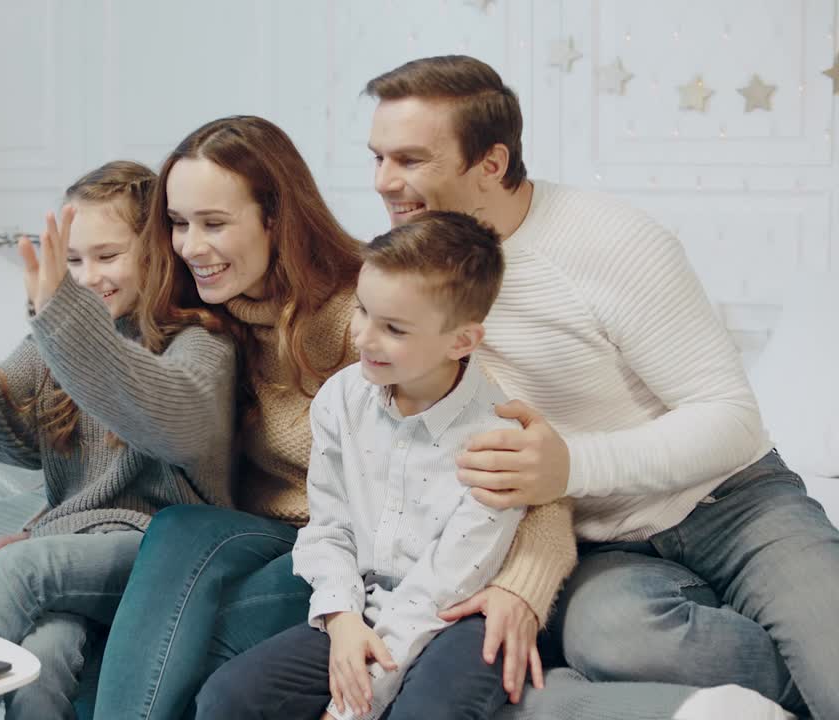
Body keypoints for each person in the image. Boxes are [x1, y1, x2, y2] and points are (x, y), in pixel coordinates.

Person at [363, 55, 839, 718]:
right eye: (378, 158)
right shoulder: (402, 280)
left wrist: (571, 465)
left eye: (410, 160)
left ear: (491, 164)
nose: (384, 182)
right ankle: (793, 681)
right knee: (612, 639)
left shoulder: (610, 241)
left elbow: (730, 417)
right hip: (603, 546)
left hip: (735, 502)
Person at [90, 116, 576, 720]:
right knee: (166, 543)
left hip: (401, 578)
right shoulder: (204, 318)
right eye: (177, 222)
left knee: (193, 610)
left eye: (213, 222)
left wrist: (522, 586)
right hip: (323, 560)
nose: (189, 246)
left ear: (274, 218)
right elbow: (134, 427)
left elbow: (534, 487)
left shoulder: (380, 316)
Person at [0, 161, 238, 720]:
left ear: (156, 253)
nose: (88, 276)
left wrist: (64, 322)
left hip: (165, 547)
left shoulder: (200, 343)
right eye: (73, 261)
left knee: (15, 569)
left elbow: (172, 419)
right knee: (43, 659)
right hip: (77, 542)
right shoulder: (55, 345)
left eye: (107, 256)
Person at [200, 212, 531, 720]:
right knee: (228, 697)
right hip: (365, 605)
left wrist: (349, 708)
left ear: (462, 341)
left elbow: (441, 588)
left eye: (393, 328)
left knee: (427, 711)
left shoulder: (498, 444)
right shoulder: (340, 399)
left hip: (460, 615)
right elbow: (328, 528)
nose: (363, 338)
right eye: (362, 310)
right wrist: (341, 620)